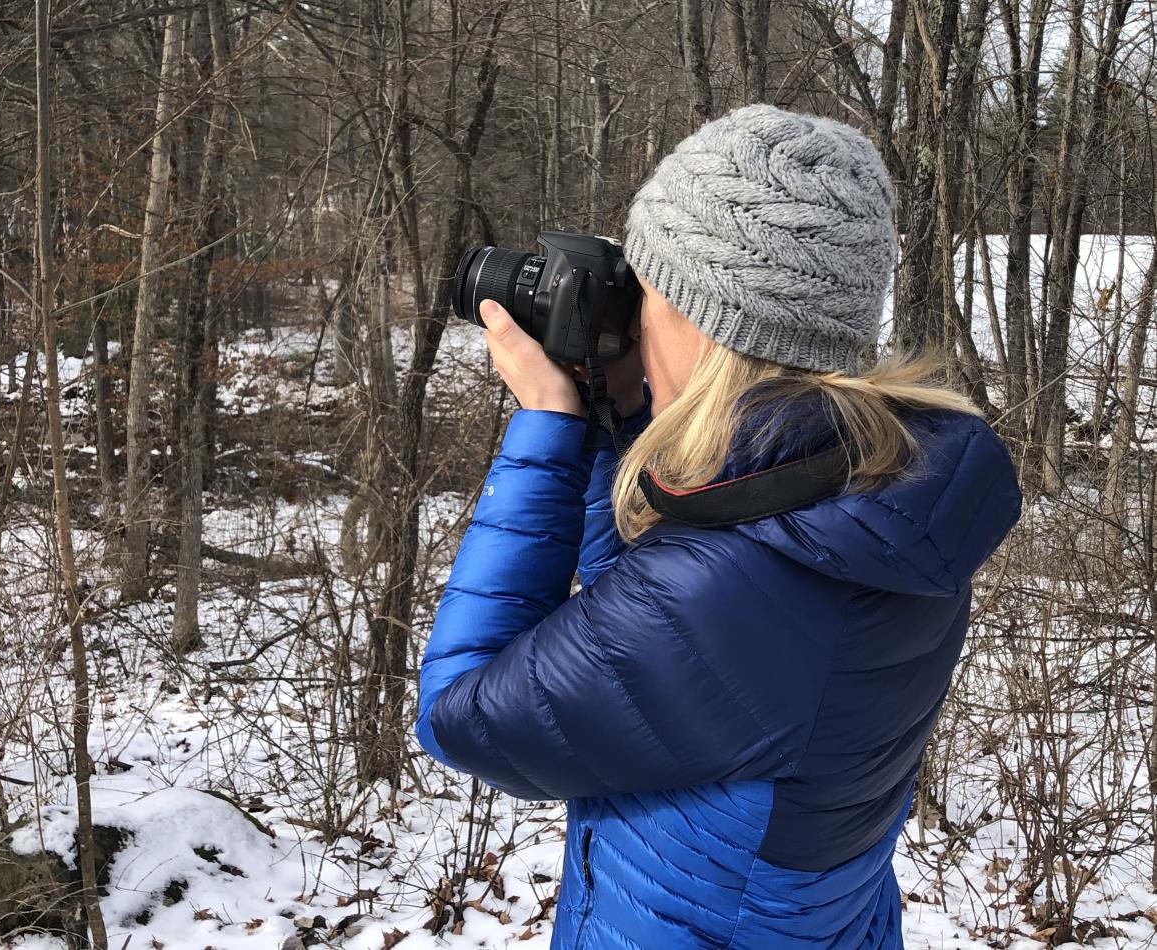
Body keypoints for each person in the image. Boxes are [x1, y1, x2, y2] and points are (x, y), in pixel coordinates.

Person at [414, 104, 1022, 949]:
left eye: (649, 295)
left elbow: (462, 712)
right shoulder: (866, 497)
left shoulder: (741, 579)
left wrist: (548, 428)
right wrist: (625, 414)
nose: (633, 320)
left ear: (708, 327)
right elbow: (642, 599)